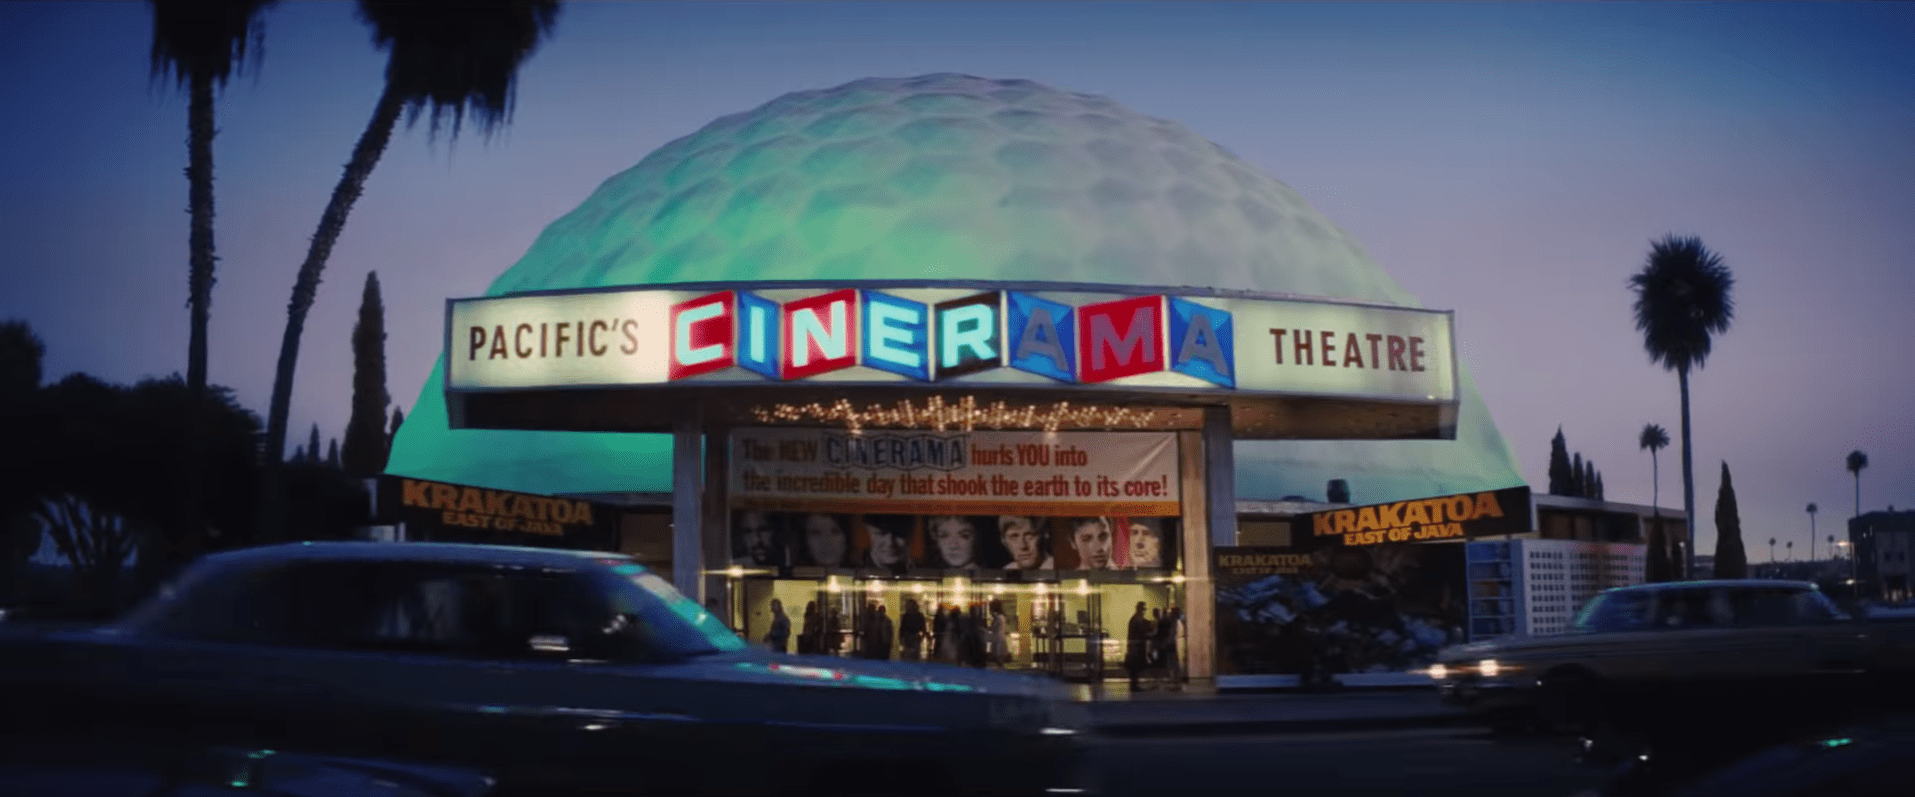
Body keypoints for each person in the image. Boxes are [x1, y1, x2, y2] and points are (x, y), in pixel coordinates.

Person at [1155, 605, 1184, 690]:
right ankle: (1175, 680)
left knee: (1172, 662)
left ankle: (1175, 681)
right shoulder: (1173, 620)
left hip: (1170, 643)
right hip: (1171, 643)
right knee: (1173, 662)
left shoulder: (1171, 620)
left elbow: (1169, 633)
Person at [1125, 601, 1152, 691]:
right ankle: (1134, 685)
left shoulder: (1136, 618)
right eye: (1143, 609)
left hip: (1135, 646)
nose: (1144, 611)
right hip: (1136, 647)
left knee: (1135, 667)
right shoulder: (1137, 619)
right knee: (1135, 666)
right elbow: (1142, 632)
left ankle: (1134, 685)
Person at [988, 599, 1010, 668]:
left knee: (998, 658)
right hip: (1001, 638)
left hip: (997, 639)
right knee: (1000, 660)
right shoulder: (1002, 616)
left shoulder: (997, 617)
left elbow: (993, 628)